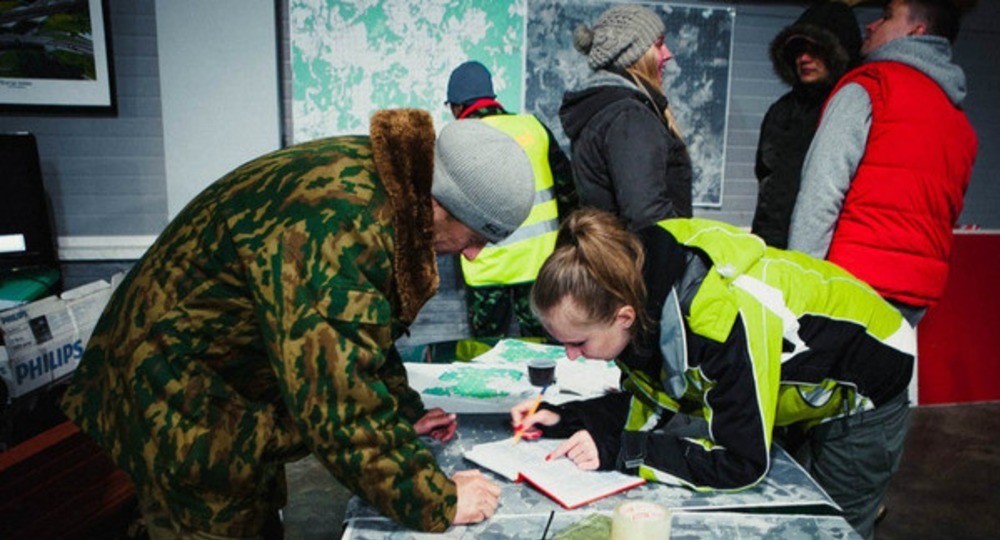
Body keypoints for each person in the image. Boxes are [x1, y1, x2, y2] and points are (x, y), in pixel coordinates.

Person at [59, 109, 538, 538]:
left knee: (254, 507)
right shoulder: (341, 223)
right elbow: (337, 399)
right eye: (473, 237)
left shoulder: (391, 184)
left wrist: (401, 411)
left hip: (223, 378)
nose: (473, 254)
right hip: (171, 388)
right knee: (217, 523)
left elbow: (362, 334)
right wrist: (437, 498)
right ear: (439, 203)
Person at [513, 208, 915, 539]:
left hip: (867, 376)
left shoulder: (719, 319)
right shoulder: (634, 282)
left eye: (579, 344)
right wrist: (568, 418)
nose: (570, 356)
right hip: (803, 373)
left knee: (826, 526)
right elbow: (659, 399)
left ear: (624, 318)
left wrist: (624, 450)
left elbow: (742, 462)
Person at [788, 0, 978, 326]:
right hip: (915, 300)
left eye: (888, 16)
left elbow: (820, 195)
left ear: (916, 32)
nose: (872, 25)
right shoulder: (958, 123)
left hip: (846, 292)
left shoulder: (871, 88)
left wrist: (797, 293)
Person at [445, 60, 577, 339]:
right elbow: (568, 191)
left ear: (457, 106)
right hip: (537, 264)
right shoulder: (533, 127)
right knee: (541, 350)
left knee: (485, 354)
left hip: (486, 268)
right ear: (491, 98)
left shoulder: (456, 138)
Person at [559, 4, 692, 230]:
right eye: (658, 45)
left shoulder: (606, 110)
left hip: (612, 259)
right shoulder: (629, 118)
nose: (668, 54)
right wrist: (682, 260)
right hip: (639, 262)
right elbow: (648, 216)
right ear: (633, 53)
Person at [752, 0, 861, 249]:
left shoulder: (852, 109)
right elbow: (766, 187)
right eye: (798, 50)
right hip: (772, 248)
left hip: (832, 253)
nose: (804, 58)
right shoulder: (780, 111)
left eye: (815, 49)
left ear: (838, 51)